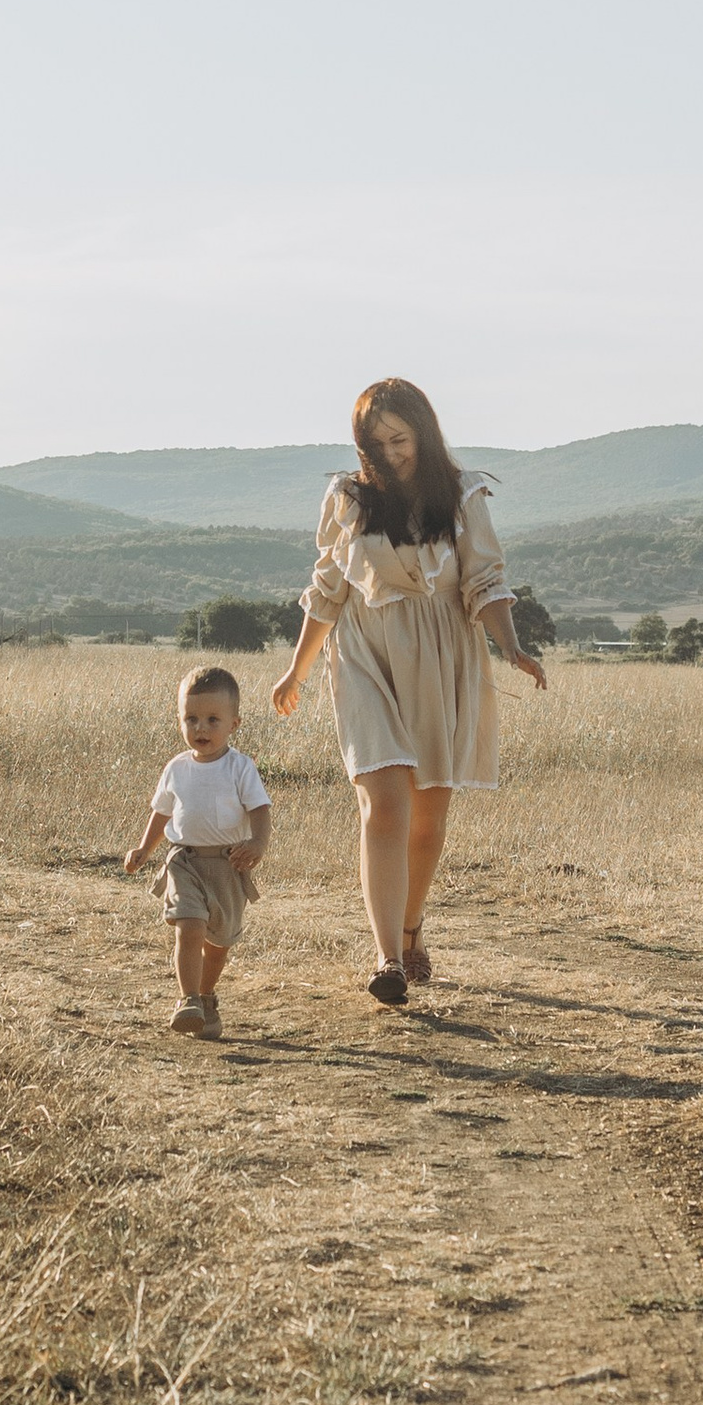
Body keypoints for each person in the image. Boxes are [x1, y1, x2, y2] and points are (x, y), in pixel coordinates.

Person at [271, 376, 546, 1008]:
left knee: (429, 816)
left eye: (401, 439)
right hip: (365, 655)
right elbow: (327, 589)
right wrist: (297, 670)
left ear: (424, 431)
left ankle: (412, 925)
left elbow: (486, 579)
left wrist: (512, 647)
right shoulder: (347, 498)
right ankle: (388, 958)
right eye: (377, 442)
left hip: (442, 654)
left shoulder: (464, 495)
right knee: (385, 801)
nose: (391, 453)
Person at [122, 662, 274, 1040]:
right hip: (184, 860)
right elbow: (162, 812)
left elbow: (260, 809)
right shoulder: (176, 768)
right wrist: (144, 848)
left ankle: (206, 998)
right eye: (191, 719)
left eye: (211, 719)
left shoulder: (240, 768)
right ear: (180, 720)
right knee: (189, 928)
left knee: (218, 943)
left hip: (227, 865)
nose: (200, 729)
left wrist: (257, 842)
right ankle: (187, 999)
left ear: (234, 724)